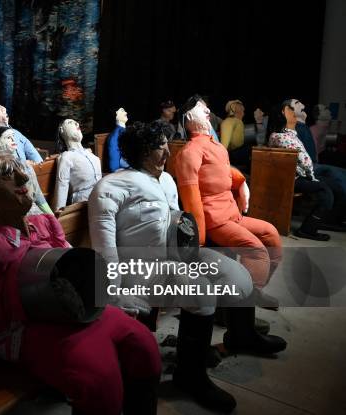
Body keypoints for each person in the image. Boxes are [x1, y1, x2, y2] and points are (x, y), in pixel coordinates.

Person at [0, 152, 162, 415]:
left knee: (146, 348)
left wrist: (111, 298)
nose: (24, 176)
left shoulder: (44, 225)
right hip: (27, 330)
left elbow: (79, 271)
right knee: (99, 382)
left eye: (20, 170)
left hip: (80, 315)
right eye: (7, 175)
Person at [89, 120, 286, 412]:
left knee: (238, 275)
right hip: (141, 270)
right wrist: (115, 293)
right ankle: (189, 376)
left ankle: (242, 335)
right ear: (142, 151)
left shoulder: (166, 180)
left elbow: (176, 223)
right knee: (200, 292)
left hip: (174, 258)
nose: (167, 152)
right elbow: (104, 246)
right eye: (160, 147)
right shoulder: (110, 186)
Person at [175, 95, 283, 301]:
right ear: (188, 117)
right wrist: (200, 238)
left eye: (207, 108)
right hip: (215, 220)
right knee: (256, 250)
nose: (207, 111)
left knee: (271, 235)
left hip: (232, 214)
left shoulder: (215, 146)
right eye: (201, 108)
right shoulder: (190, 151)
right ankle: (244, 302)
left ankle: (255, 291)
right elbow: (191, 197)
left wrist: (242, 184)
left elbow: (225, 173)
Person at [267, 101, 346, 240]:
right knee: (325, 191)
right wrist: (311, 172)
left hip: (303, 174)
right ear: (284, 114)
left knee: (337, 186)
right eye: (290, 110)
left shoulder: (293, 135)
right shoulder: (280, 136)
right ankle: (307, 229)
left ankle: (328, 220)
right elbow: (306, 162)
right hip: (295, 178)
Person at [0, 126, 53, 215]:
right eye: (8, 137)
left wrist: (52, 217)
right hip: (6, 216)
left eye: (13, 136)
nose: (13, 139)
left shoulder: (25, 166)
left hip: (32, 212)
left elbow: (38, 196)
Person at [52, 119, 102, 211]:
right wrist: (58, 214)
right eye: (70, 123)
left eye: (76, 122)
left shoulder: (90, 154)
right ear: (62, 130)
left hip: (101, 199)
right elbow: (62, 186)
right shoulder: (66, 157)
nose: (76, 124)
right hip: (83, 206)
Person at [220, 99, 252, 168]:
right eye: (242, 110)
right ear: (234, 109)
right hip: (233, 154)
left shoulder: (237, 122)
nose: (243, 113)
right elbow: (224, 145)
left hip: (239, 153)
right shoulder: (229, 121)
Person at [106, 107, 129, 172]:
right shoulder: (115, 135)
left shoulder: (125, 131)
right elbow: (114, 165)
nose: (126, 112)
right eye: (122, 111)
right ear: (116, 115)